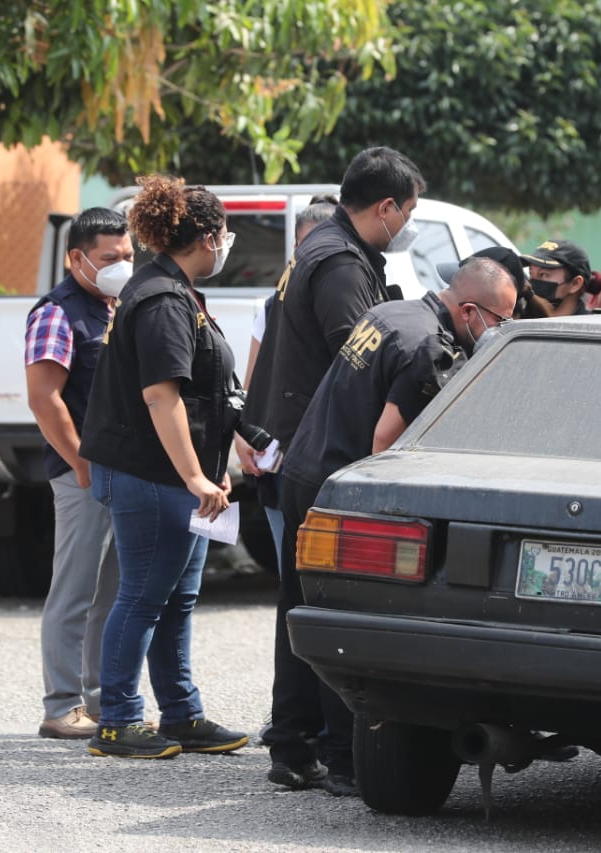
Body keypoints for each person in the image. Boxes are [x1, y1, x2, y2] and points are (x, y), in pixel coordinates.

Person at [278, 258, 517, 794]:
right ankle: (342, 759)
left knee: (297, 614)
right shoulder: (430, 347)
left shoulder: (392, 311)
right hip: (337, 486)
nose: (501, 332)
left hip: (305, 469)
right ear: (471, 311)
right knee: (345, 622)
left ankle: (291, 748)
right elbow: (385, 440)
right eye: (502, 320)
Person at [239, 146, 426, 794]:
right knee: (326, 604)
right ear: (385, 206)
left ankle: (294, 745)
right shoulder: (342, 263)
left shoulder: (320, 250)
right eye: (406, 213)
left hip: (298, 450)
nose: (406, 225)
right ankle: (330, 750)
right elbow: (363, 365)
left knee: (302, 601)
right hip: (322, 457)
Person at [78, 175, 249, 759]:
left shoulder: (176, 290)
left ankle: (181, 714)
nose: (226, 244)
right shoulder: (161, 300)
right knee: (143, 596)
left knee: (177, 597)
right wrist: (196, 476)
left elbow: (203, 394)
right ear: (205, 237)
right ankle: (118, 721)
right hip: (152, 476)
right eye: (224, 235)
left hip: (179, 475)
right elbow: (162, 397)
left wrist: (210, 467)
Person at [25, 208, 132, 739]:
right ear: (77, 258)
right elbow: (45, 399)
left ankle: (98, 700)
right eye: (110, 258)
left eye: (128, 256)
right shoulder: (57, 312)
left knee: (111, 594)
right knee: (75, 591)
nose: (122, 266)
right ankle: (61, 703)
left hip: (123, 474)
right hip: (83, 476)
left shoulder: (115, 308)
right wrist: (81, 464)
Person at [242, 193, 340, 571]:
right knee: (292, 573)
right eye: (306, 246)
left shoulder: (350, 295)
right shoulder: (272, 305)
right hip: (283, 462)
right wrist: (245, 435)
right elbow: (254, 386)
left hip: (329, 457)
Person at [521, 239, 601, 317]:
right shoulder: (516, 325)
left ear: (575, 284)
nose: (531, 283)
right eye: (530, 273)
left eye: (543, 275)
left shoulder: (592, 329)